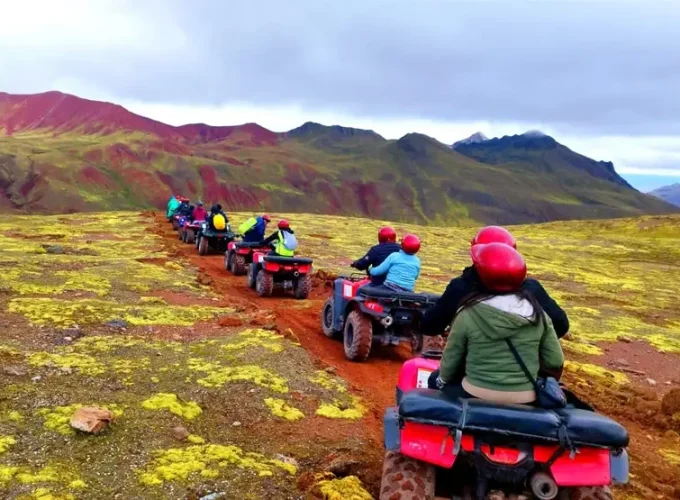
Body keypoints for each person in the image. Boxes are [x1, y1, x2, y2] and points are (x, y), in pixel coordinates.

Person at [429, 242, 564, 405]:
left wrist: (442, 381)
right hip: (526, 397)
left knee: (432, 380)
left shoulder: (467, 313)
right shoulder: (539, 314)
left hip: (474, 391)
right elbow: (555, 360)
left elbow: (451, 359)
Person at [421, 226, 569, 337]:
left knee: (434, 377)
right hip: (525, 370)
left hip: (471, 368)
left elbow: (430, 326)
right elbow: (561, 326)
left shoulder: (461, 287)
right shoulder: (531, 289)